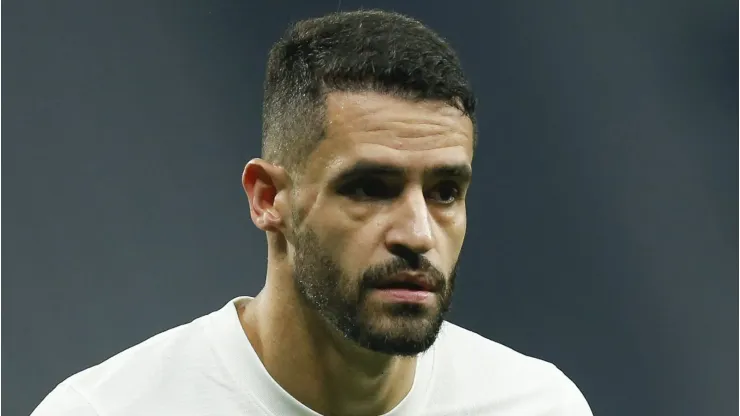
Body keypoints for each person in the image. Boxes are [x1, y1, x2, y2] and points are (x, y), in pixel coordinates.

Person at [31, 9, 593, 416]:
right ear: (268, 198)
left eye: (445, 191)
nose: (418, 233)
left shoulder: (537, 405)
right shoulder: (103, 410)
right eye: (370, 187)